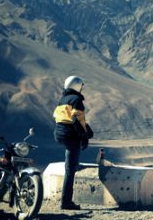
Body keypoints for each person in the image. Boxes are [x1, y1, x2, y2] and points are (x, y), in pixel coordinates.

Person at [53, 75, 93, 210]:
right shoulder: (76, 100)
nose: (82, 89)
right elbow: (76, 119)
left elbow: (61, 117)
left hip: (60, 134)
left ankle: (66, 201)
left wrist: (86, 129)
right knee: (70, 170)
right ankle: (66, 202)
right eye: (81, 86)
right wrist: (84, 137)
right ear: (77, 86)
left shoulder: (62, 100)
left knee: (69, 166)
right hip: (71, 136)